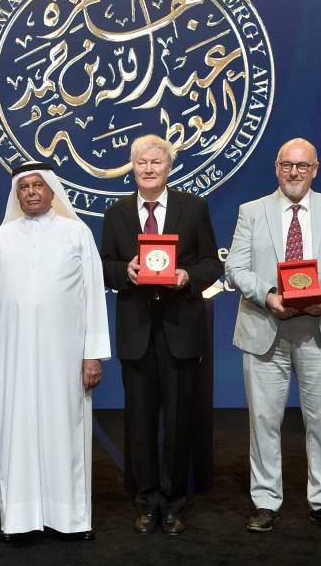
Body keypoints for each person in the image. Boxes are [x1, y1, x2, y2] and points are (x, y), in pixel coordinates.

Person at [225, 137, 321, 535]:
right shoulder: (251, 211)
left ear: (315, 170)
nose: (294, 172)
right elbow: (235, 267)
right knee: (264, 421)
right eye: (287, 164)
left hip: (320, 329)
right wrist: (268, 295)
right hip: (265, 327)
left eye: (303, 166)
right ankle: (266, 502)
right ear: (276, 168)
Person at [0, 161, 111, 542]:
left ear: (51, 190)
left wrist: (93, 353)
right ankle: (18, 520)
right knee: (16, 433)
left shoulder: (76, 234)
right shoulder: (1, 238)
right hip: (12, 357)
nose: (31, 192)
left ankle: (71, 519)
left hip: (65, 357)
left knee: (66, 431)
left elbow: (94, 297)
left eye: (37, 186)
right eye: (24, 187)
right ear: (17, 193)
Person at [101, 135, 223, 536]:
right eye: (141, 162)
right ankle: (146, 500)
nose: (149, 169)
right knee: (139, 423)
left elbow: (212, 264)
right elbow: (104, 265)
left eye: (156, 162)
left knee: (178, 421)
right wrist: (125, 272)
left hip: (180, 331)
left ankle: (173, 503)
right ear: (132, 168)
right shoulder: (116, 213)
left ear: (169, 168)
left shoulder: (194, 207)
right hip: (136, 332)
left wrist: (187, 276)